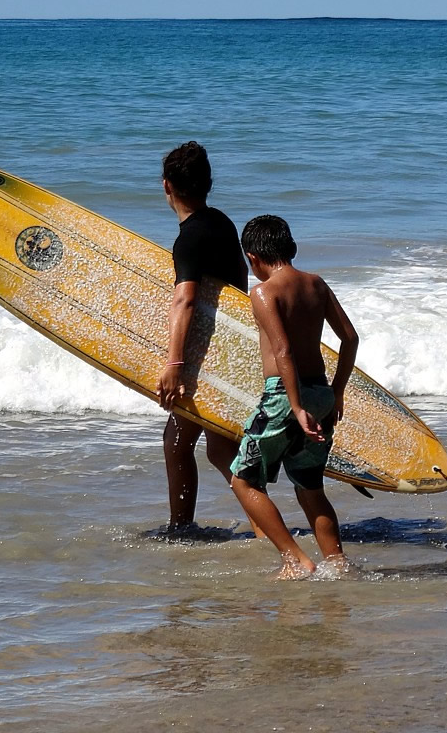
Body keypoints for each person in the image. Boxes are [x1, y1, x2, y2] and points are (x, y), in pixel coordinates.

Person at [228, 215, 360, 579]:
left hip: (286, 397)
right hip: (320, 391)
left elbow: (282, 350)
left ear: (252, 258)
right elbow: (350, 340)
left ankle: (295, 560)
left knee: (243, 479)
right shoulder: (316, 285)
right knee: (310, 486)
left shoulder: (263, 292)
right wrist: (336, 393)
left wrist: (297, 406)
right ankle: (338, 563)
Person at [156, 141, 251, 532]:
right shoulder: (221, 222)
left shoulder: (190, 238)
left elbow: (186, 300)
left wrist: (175, 365)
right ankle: (260, 528)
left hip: (207, 354)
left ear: (166, 187)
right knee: (215, 447)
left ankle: (182, 528)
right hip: (231, 347)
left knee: (186, 443)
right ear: (208, 184)